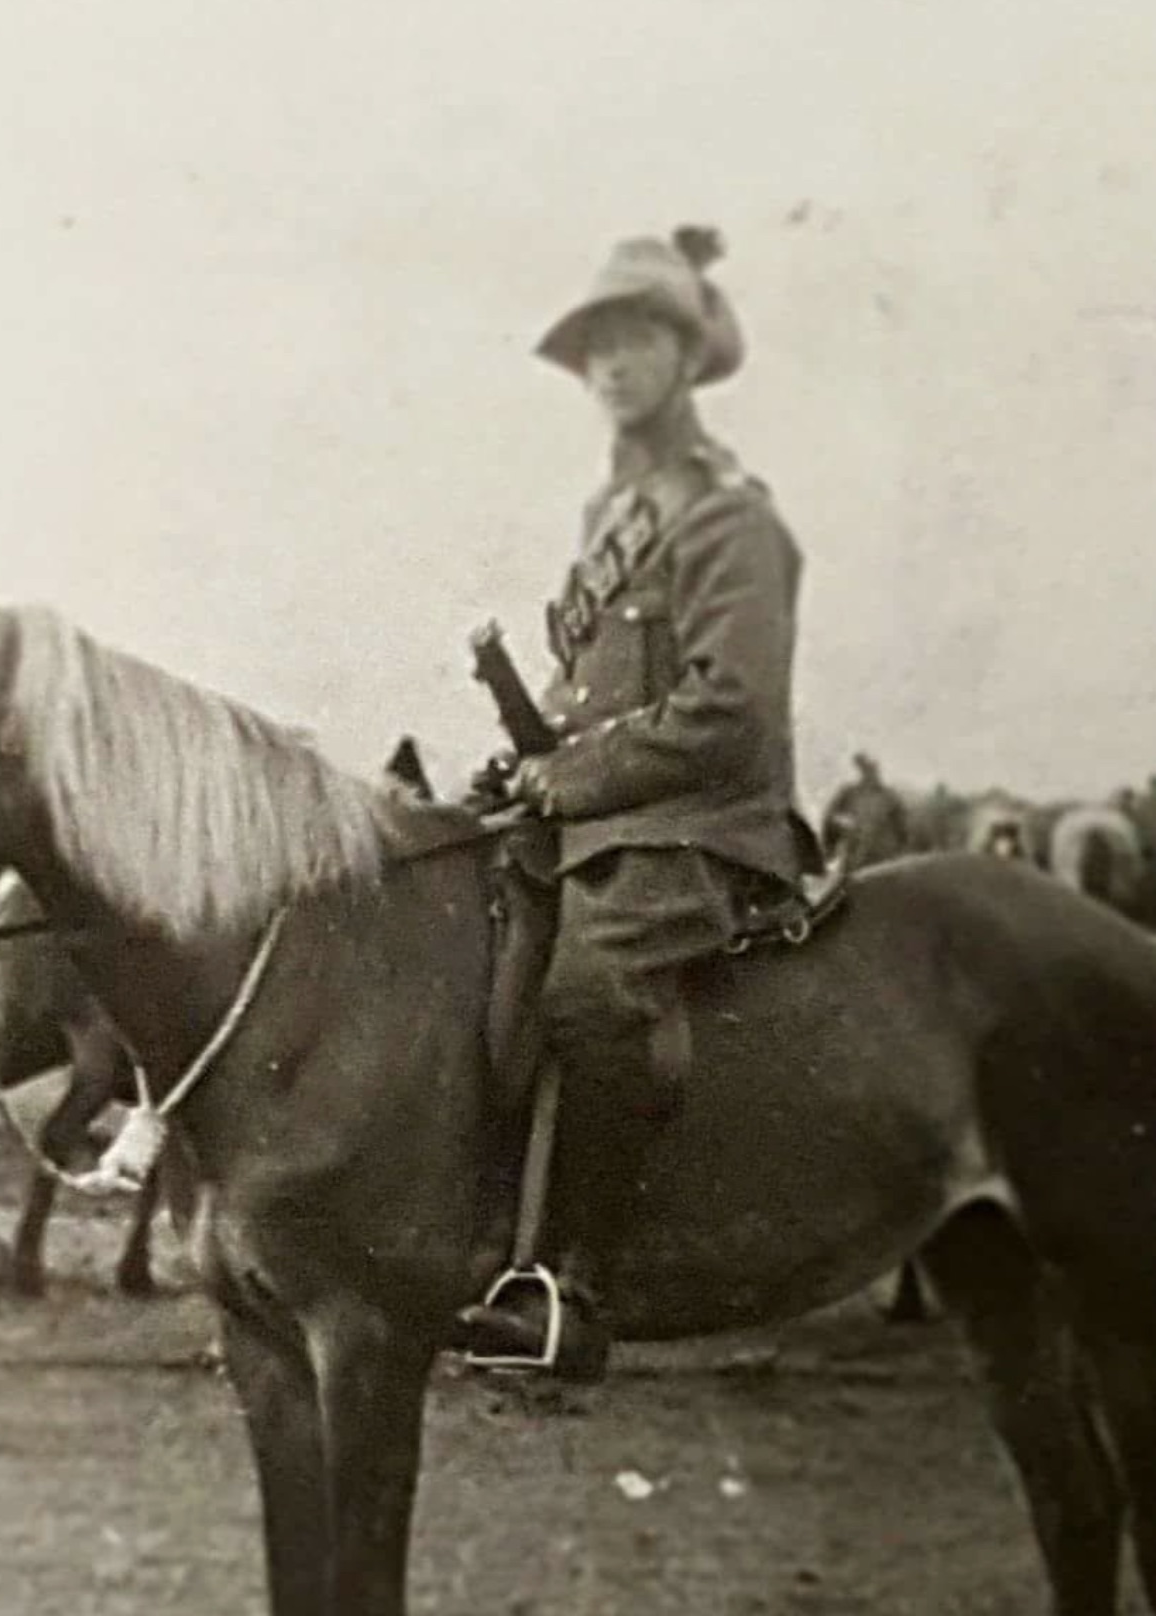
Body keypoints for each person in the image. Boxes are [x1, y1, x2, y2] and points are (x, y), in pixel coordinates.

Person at [456, 227, 825, 1380]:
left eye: (636, 342)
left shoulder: (728, 518)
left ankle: (571, 1286)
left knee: (590, 988)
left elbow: (731, 712)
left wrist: (566, 776)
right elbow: (589, 697)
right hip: (606, 812)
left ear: (686, 354)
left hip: (702, 823)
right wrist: (524, 766)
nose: (611, 367)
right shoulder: (610, 518)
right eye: (595, 349)